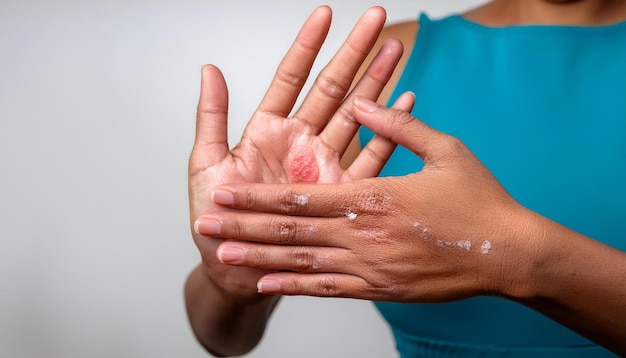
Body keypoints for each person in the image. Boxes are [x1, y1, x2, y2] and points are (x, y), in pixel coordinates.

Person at [186, 1, 626, 357]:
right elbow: (223, 339)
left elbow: (512, 254)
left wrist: (516, 257)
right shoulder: (393, 60)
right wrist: (236, 279)